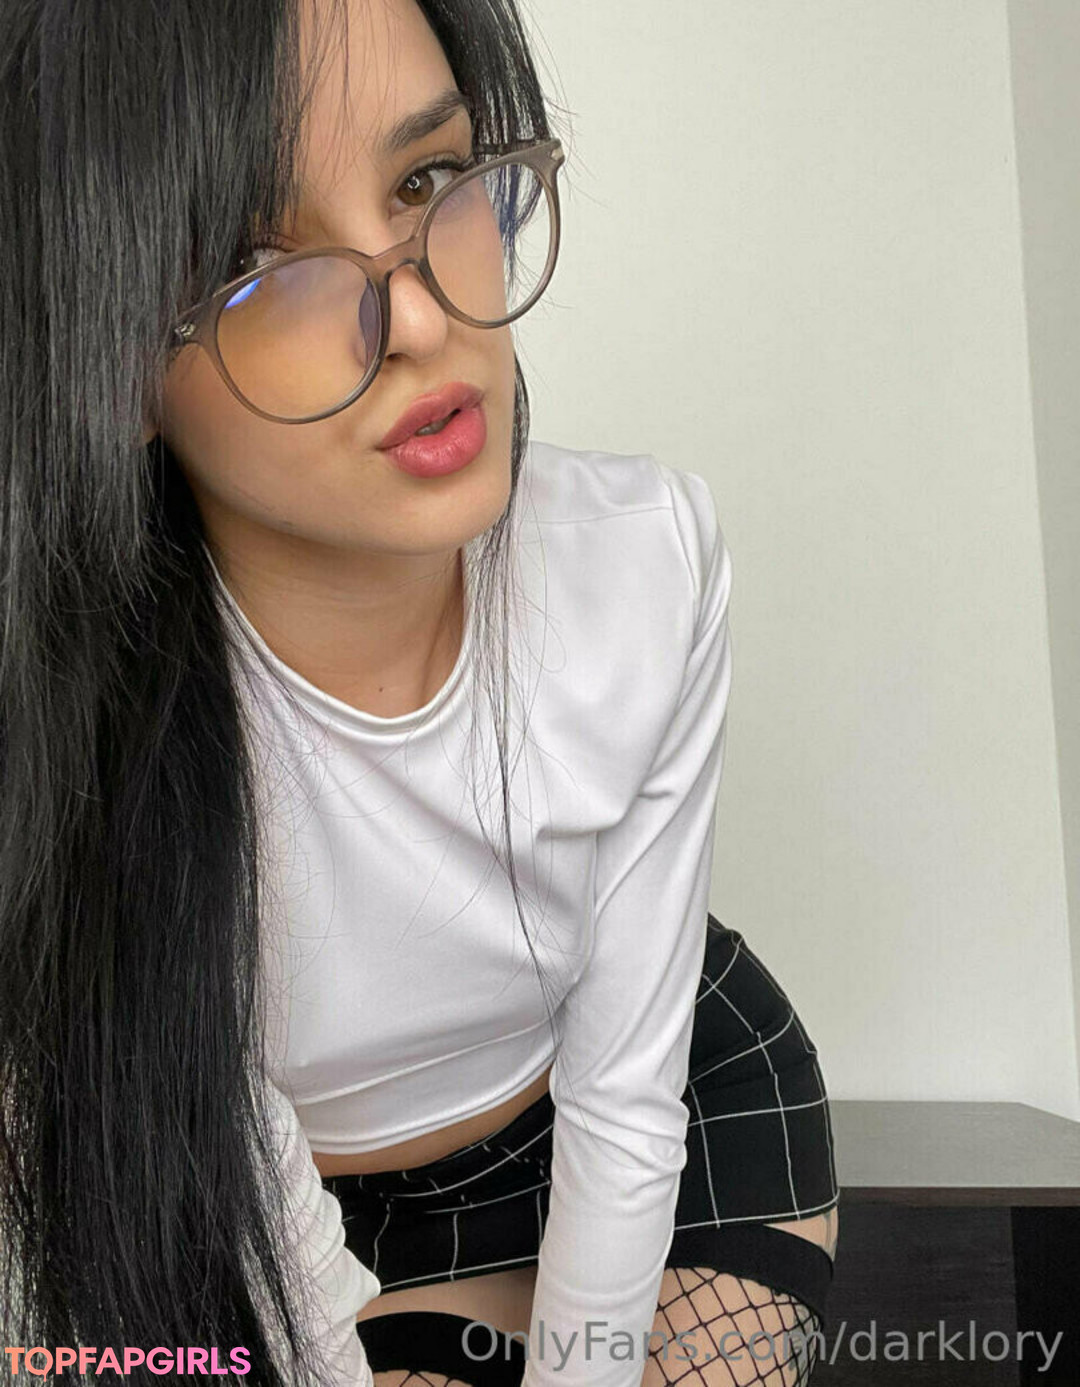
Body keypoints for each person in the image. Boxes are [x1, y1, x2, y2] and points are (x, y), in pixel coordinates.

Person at [0, 1, 839, 1384]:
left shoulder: (641, 561)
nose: (420, 317)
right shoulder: (79, 730)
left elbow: (628, 1095)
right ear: (115, 366)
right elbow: (224, 1176)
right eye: (256, 262)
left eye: (428, 180)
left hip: (660, 1118)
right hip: (288, 1213)